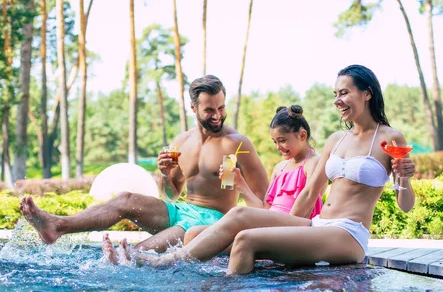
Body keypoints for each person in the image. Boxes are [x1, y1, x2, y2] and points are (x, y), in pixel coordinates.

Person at [105, 64, 416, 274]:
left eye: (344, 93)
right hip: (319, 225)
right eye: (335, 94)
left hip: (349, 234)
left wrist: (404, 177)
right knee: (238, 216)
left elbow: (405, 206)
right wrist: (285, 225)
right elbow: (310, 192)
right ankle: (164, 262)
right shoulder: (338, 138)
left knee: (247, 240)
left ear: (367, 93)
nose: (338, 100)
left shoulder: (390, 139)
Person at [19, 75, 269, 252]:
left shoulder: (237, 143)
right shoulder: (180, 141)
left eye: (221, 108)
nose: (217, 116)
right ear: (193, 107)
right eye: (209, 110)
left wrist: (238, 189)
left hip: (214, 221)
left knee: (137, 252)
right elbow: (171, 195)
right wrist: (165, 174)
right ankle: (57, 226)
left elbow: (264, 200)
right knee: (126, 199)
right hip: (182, 211)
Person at [175, 104, 324, 250]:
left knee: (238, 213)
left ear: (302, 135)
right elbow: (264, 209)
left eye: (282, 140)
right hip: (268, 226)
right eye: (275, 142)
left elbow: (305, 208)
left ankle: (171, 259)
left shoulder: (314, 162)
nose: (278, 147)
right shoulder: (280, 168)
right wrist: (240, 184)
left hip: (290, 231)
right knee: (193, 233)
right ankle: (188, 270)